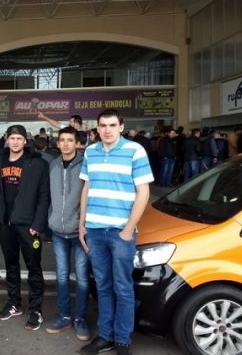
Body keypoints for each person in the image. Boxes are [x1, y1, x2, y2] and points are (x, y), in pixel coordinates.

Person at [78, 109, 153, 355]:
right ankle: (105, 336)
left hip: (121, 232)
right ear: (97, 128)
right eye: (103, 125)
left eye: (112, 125)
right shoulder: (91, 151)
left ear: (121, 127)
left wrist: (128, 229)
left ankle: (122, 339)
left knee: (123, 287)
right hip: (95, 230)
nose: (107, 130)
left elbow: (144, 192)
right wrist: (82, 224)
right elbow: (87, 187)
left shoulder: (134, 150)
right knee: (102, 286)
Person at [0, 125, 50, 331]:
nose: (15, 142)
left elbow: (44, 196)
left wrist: (38, 224)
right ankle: (14, 302)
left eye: (19, 138)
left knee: (34, 267)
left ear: (25, 140)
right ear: (7, 139)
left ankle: (36, 309)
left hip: (28, 225)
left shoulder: (37, 163)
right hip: (5, 223)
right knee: (11, 265)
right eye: (12, 138)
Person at [46, 127, 90, 340]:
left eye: (69, 140)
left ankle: (80, 318)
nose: (65, 144)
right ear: (57, 143)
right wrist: (50, 218)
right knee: (62, 276)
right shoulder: (53, 165)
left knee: (82, 277)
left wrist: (85, 222)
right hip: (57, 231)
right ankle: (64, 316)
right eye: (62, 140)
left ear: (77, 143)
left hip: (79, 231)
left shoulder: (85, 165)